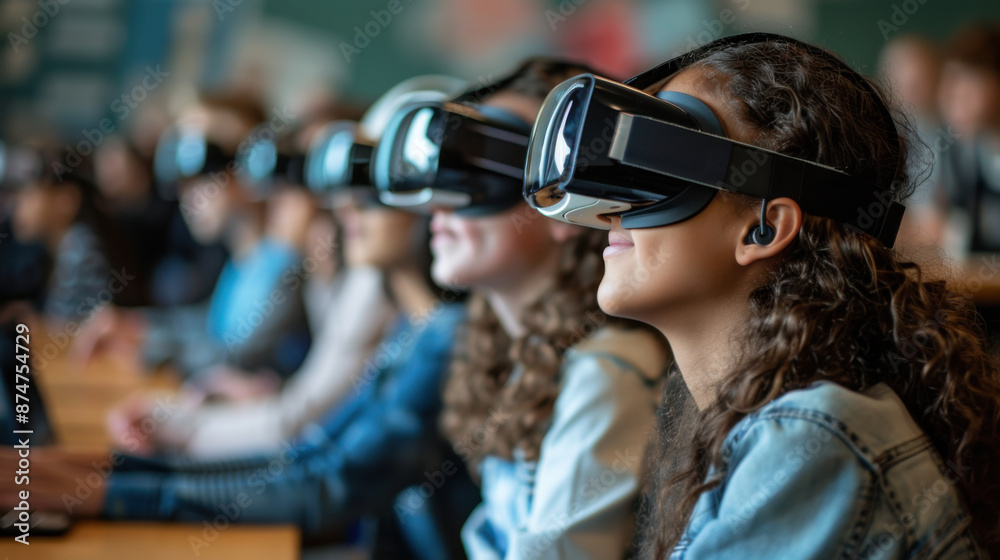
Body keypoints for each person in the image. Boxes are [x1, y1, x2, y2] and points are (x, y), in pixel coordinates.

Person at [523, 33, 1000, 557]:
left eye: (659, 170)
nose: (613, 212)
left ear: (764, 229)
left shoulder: (809, 444)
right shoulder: (775, 426)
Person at [0, 181, 479, 558]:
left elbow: (320, 474)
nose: (342, 208)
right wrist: (104, 470)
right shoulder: (415, 332)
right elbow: (311, 453)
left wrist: (112, 489)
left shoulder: (438, 333)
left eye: (375, 194)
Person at [378, 57, 671, 559]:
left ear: (563, 206)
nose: (439, 204)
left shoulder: (606, 371)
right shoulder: (511, 355)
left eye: (482, 169)